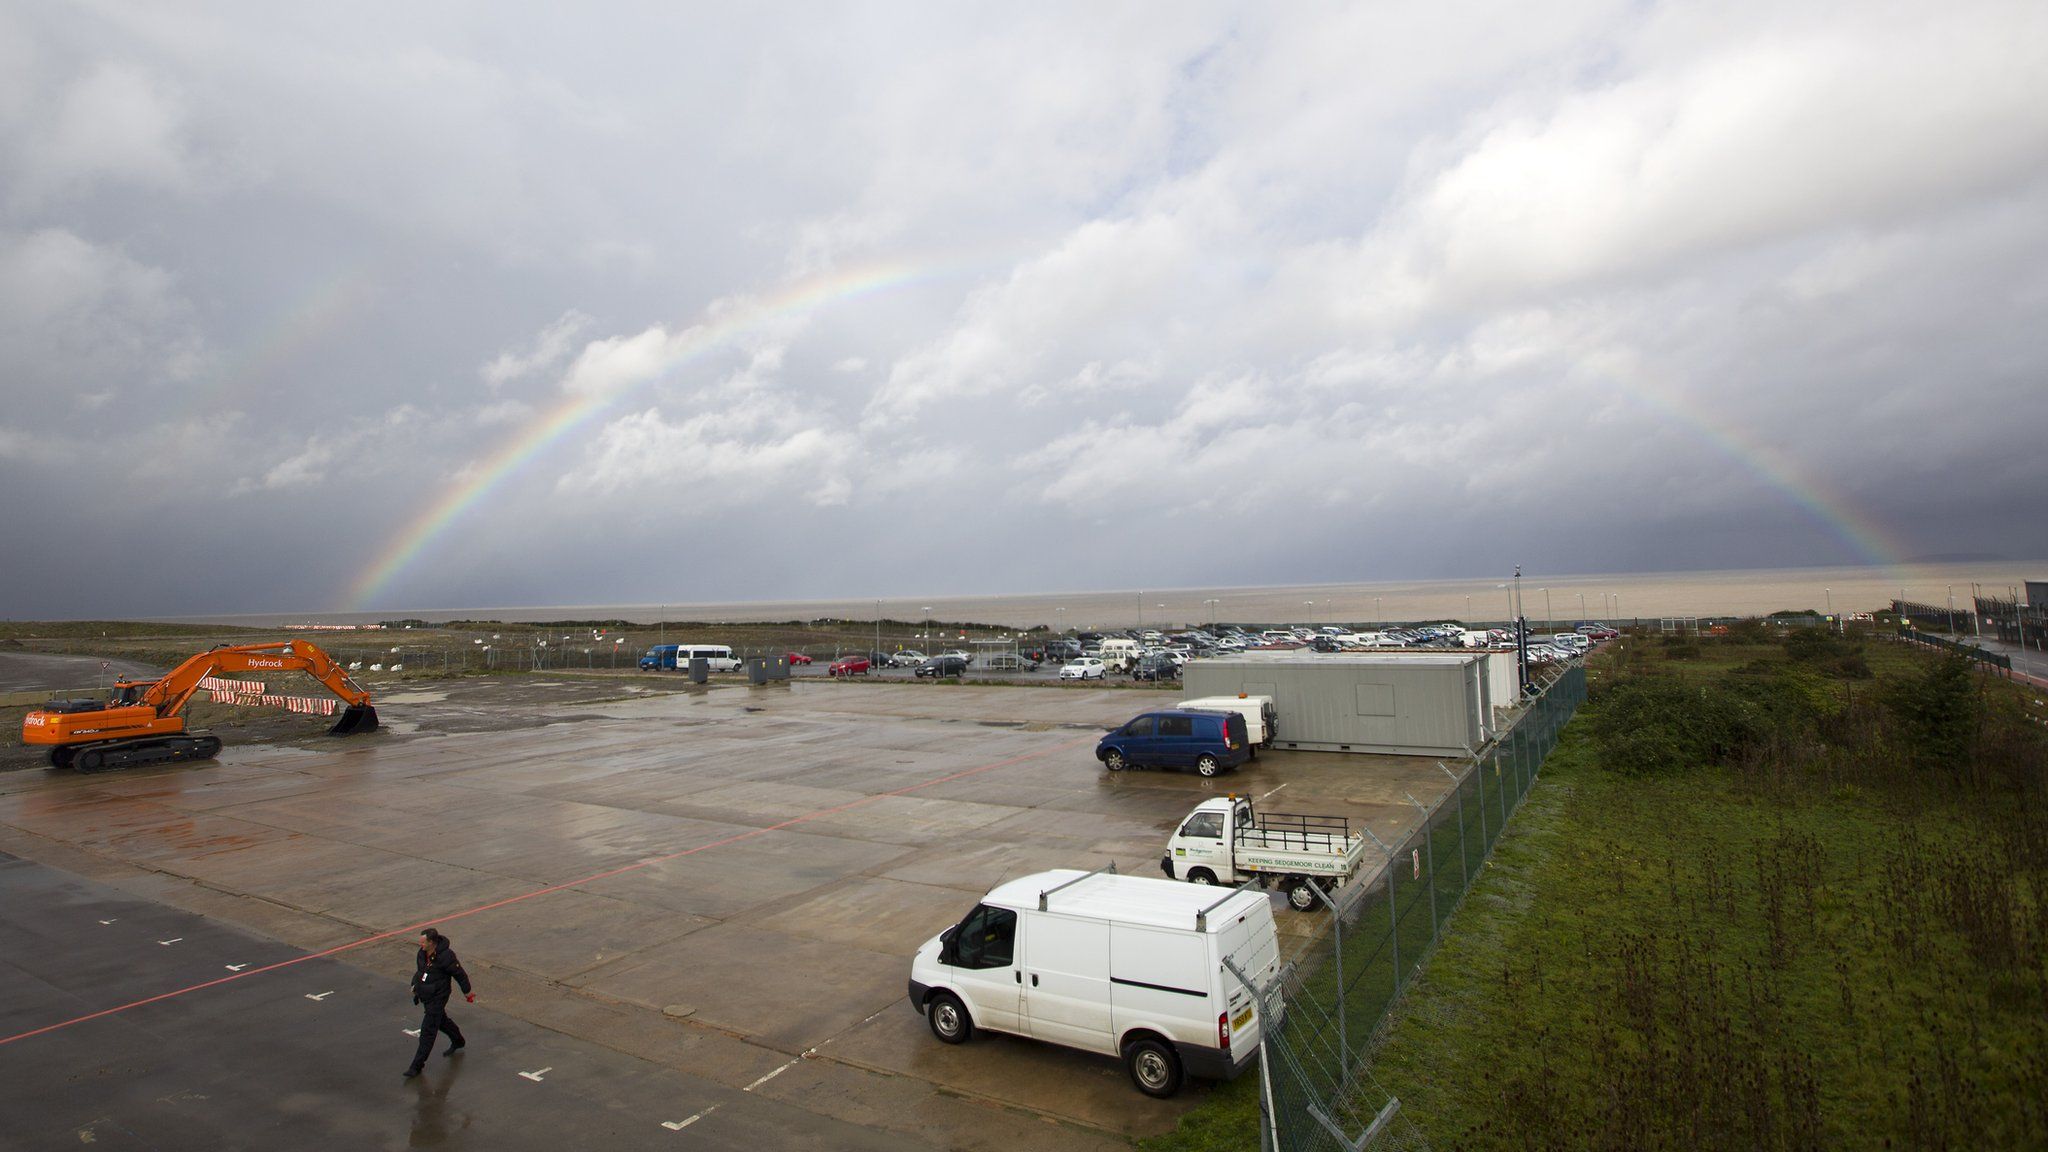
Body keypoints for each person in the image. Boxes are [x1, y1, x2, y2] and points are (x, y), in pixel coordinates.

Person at [404, 928, 473, 1080]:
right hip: (426, 994)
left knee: (428, 1030)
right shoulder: (422, 954)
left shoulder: (446, 956)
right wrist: (415, 985)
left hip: (438, 996)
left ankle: (416, 1065)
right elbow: (420, 972)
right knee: (440, 1021)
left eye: (423, 942)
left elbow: (459, 974)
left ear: (431, 942)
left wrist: (467, 992)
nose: (420, 944)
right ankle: (458, 1040)